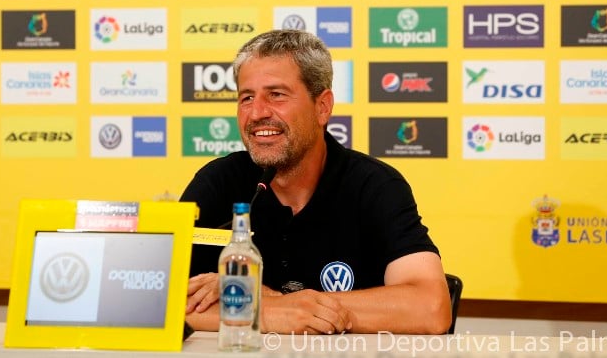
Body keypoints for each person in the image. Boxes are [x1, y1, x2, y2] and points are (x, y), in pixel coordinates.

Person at [180, 29, 451, 335]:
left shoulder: (375, 185)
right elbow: (158, 300)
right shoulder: (218, 182)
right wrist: (267, 310)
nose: (256, 113)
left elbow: (431, 308)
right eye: (247, 97)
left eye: (276, 94)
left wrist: (265, 302)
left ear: (322, 107)